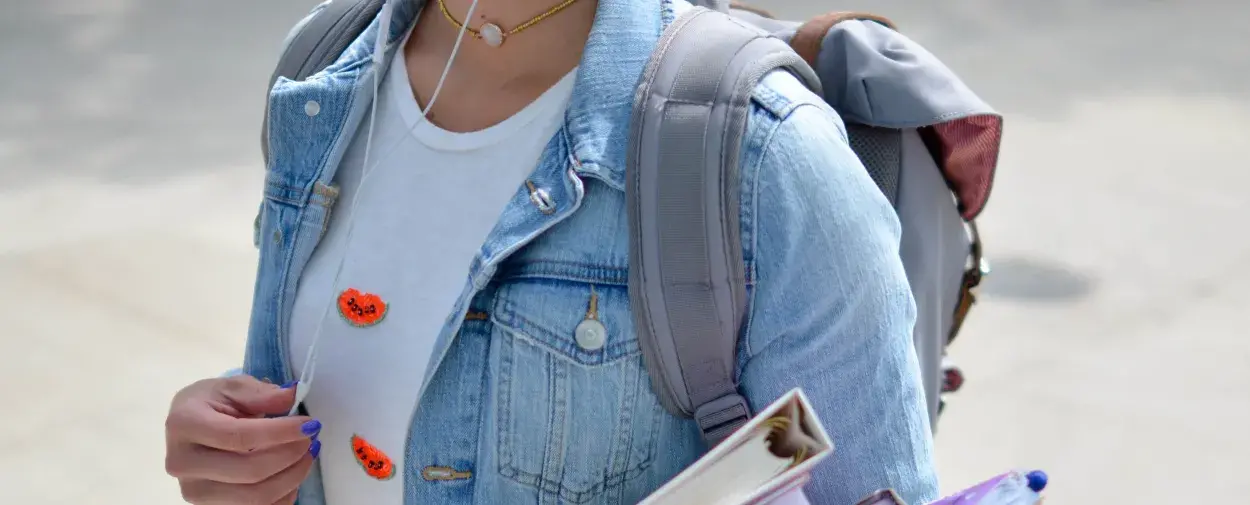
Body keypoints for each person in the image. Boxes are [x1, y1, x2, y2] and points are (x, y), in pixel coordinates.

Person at [162, 0, 939, 503]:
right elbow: (287, 389)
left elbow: (858, 484)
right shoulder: (322, 68)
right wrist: (230, 451)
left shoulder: (761, 154)